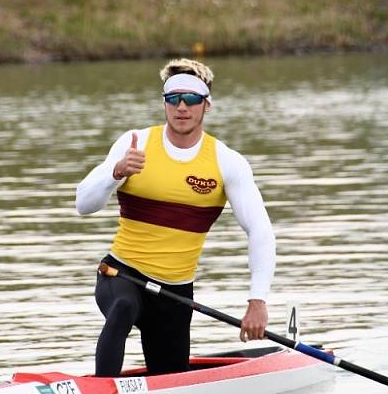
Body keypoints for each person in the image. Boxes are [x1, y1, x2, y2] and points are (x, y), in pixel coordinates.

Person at [75, 58, 275, 377]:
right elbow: (83, 204)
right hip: (121, 275)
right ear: (165, 103)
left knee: (170, 377)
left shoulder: (227, 162)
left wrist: (257, 301)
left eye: (192, 99)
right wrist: (115, 173)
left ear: (206, 105)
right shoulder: (134, 144)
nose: (182, 107)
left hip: (174, 294)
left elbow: (260, 230)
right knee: (123, 308)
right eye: (173, 99)